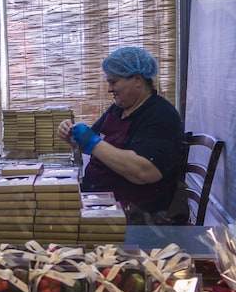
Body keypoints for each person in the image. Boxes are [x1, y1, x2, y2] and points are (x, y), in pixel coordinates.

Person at [56, 46, 188, 225]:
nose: (109, 89)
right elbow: (93, 146)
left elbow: (145, 172)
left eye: (114, 82)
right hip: (102, 202)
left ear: (137, 79)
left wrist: (93, 143)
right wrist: (72, 136)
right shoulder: (119, 109)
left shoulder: (160, 116)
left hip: (139, 216)